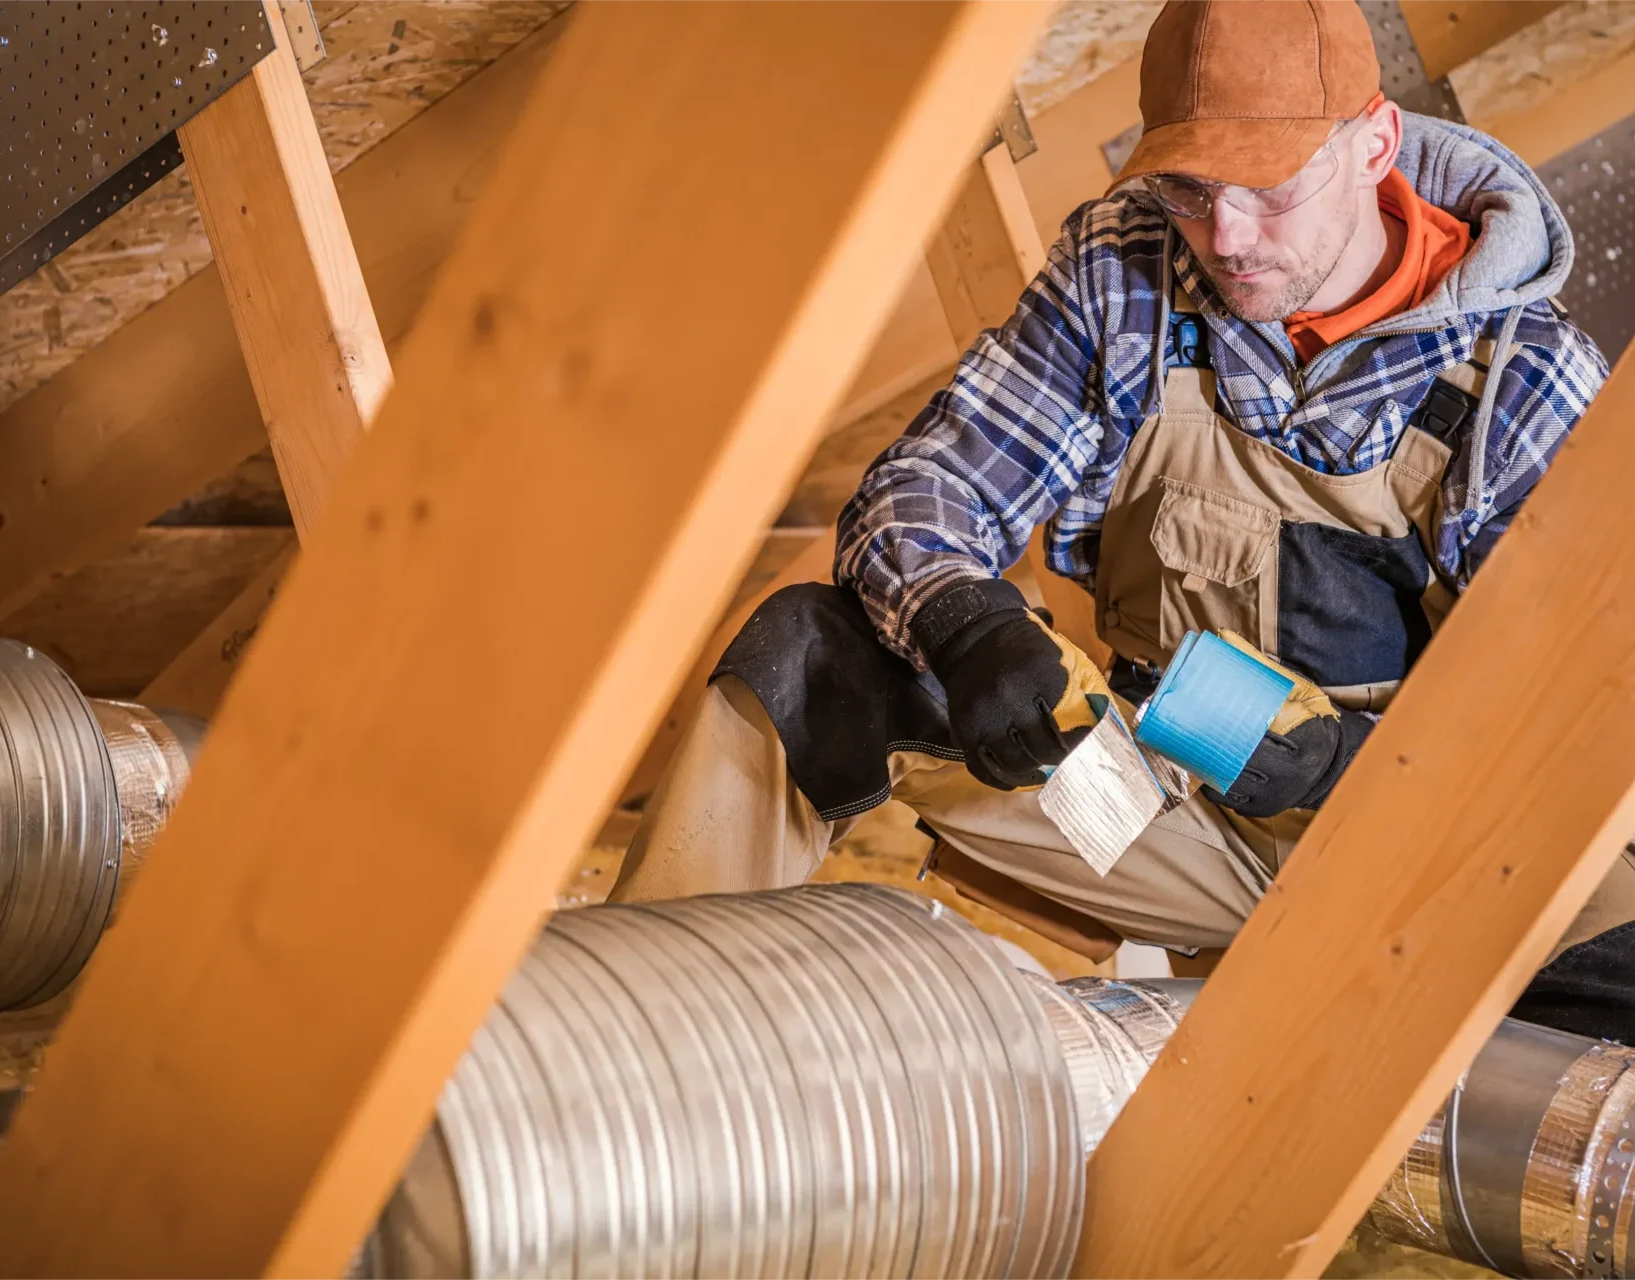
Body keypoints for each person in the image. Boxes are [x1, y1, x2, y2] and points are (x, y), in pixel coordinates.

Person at [612, 0, 1635, 1040]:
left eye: (1270, 192)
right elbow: (924, 488)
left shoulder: (1523, 374)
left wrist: (1342, 764)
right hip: (1156, 810)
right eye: (1190, 189)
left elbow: (1570, 739)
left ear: (1374, 143)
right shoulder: (1127, 268)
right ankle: (638, 1054)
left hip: (1436, 855)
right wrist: (971, 627)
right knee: (809, 656)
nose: (1226, 238)